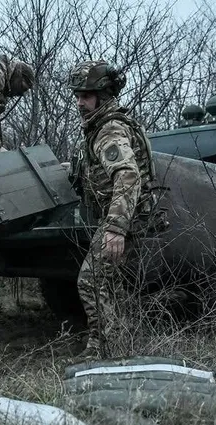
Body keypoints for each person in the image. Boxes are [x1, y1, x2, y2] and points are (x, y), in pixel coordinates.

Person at [66, 60, 162, 359]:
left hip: (125, 218)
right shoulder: (100, 127)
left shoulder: (109, 128)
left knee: (91, 279)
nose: (80, 102)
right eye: (77, 96)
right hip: (124, 215)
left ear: (104, 96)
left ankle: (105, 351)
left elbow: (127, 174)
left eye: (86, 96)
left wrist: (115, 229)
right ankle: (112, 344)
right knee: (107, 282)